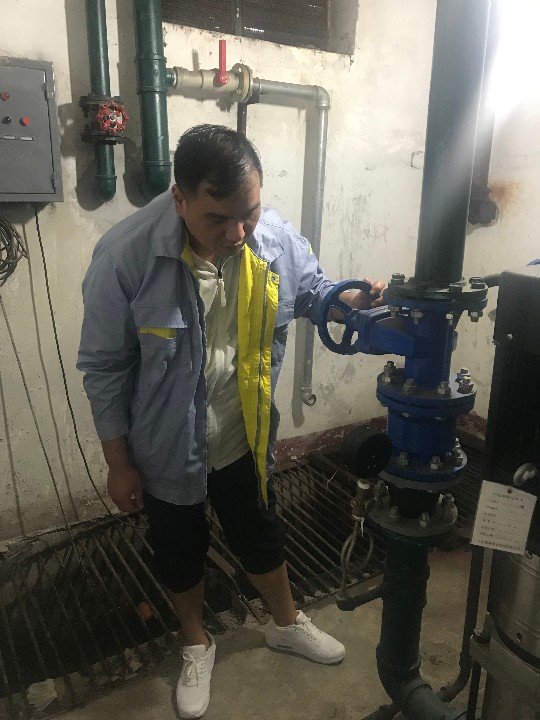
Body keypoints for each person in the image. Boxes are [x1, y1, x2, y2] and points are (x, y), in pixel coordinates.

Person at [77, 124, 385, 719]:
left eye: (250, 212)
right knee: (179, 546)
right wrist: (118, 464)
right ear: (180, 198)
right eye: (219, 218)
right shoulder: (126, 257)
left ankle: (286, 622)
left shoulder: (271, 240)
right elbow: (105, 367)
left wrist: (349, 301)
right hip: (167, 445)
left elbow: (313, 291)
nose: (238, 233)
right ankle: (196, 643)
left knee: (260, 527)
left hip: (243, 430)